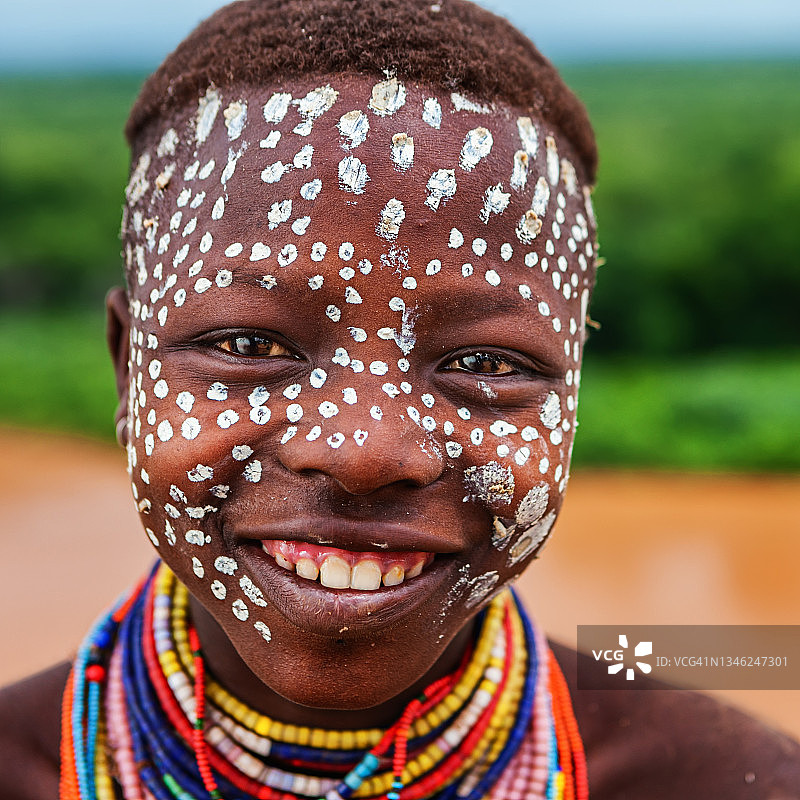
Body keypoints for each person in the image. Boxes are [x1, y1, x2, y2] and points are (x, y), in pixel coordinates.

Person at [2, 1, 799, 797]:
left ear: (575, 390)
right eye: (248, 346)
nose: (365, 452)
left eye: (488, 361)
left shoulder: (728, 779)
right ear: (126, 368)